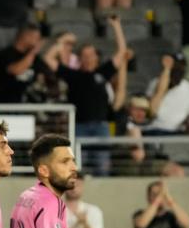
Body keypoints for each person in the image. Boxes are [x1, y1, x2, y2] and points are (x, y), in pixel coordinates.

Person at [43, 17, 127, 177]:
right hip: (79, 127)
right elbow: (48, 59)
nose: (88, 58)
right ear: (80, 58)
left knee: (102, 168)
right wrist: (61, 42)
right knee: (78, 169)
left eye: (91, 54)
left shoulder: (103, 72)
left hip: (101, 127)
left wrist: (116, 26)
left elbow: (122, 52)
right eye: (84, 55)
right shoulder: (73, 75)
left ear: (96, 57)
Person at [145, 54, 189, 136]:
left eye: (181, 68)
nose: (178, 71)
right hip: (154, 129)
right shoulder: (155, 83)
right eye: (175, 68)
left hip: (177, 132)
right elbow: (149, 112)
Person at [0, 24, 45, 104]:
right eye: (36, 38)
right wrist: (33, 52)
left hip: (31, 105)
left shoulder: (36, 58)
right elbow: (16, 70)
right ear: (26, 36)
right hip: (10, 105)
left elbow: (42, 76)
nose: (38, 41)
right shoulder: (5, 54)